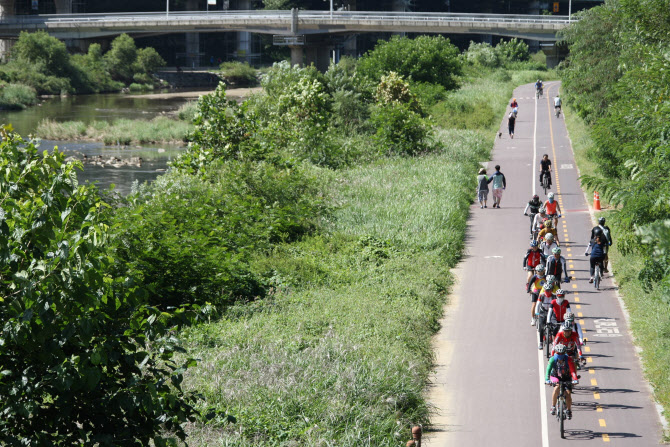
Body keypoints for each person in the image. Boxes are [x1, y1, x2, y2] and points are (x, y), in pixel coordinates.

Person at [545, 343, 579, 420]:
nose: (560, 355)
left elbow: (573, 371)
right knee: (557, 387)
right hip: (555, 376)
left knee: (568, 394)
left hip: (566, 377)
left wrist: (575, 379)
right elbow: (548, 370)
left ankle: (569, 410)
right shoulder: (552, 359)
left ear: (565, 353)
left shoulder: (569, 359)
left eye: (562, 353)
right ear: (555, 352)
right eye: (558, 353)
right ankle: (553, 406)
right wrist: (547, 379)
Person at [537, 276, 559, 349]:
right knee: (541, 327)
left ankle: (554, 341)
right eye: (546, 290)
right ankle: (540, 342)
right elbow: (538, 305)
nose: (548, 292)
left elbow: (556, 306)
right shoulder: (542, 296)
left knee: (555, 326)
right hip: (543, 312)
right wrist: (537, 313)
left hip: (551, 313)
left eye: (549, 290)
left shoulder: (554, 297)